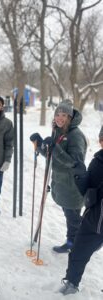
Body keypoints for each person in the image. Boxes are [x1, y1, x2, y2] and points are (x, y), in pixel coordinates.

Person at [30, 100, 87, 253]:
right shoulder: (59, 131)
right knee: (71, 217)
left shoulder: (75, 136)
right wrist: (41, 144)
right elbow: (52, 155)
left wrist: (55, 148)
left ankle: (81, 242)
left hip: (73, 185)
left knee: (73, 218)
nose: (59, 118)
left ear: (69, 117)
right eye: (57, 114)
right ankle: (76, 241)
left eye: (64, 115)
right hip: (62, 184)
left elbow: (75, 163)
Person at [59, 126, 103, 295]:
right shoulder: (97, 161)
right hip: (93, 219)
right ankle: (71, 283)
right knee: (78, 252)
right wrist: (80, 176)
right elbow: (86, 191)